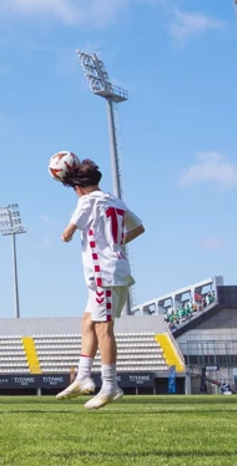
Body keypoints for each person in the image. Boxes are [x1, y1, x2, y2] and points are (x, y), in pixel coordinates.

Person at [54, 157, 145, 410]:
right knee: (88, 322)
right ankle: (83, 377)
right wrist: (114, 241)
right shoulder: (113, 199)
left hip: (104, 272)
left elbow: (68, 232)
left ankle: (110, 385)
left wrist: (67, 233)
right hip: (111, 268)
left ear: (77, 187)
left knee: (104, 329)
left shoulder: (86, 201)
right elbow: (139, 228)